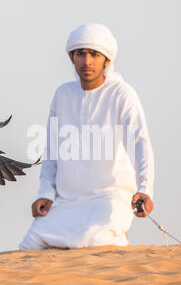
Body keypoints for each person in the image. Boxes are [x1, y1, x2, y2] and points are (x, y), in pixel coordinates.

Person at [19, 23, 155, 250]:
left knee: (93, 243)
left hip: (110, 198)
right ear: (72, 57)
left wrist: (145, 189)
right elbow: (52, 149)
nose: (87, 61)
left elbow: (141, 143)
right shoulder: (63, 94)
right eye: (80, 54)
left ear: (107, 60)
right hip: (67, 202)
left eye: (94, 54)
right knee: (30, 245)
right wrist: (45, 193)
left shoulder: (122, 94)